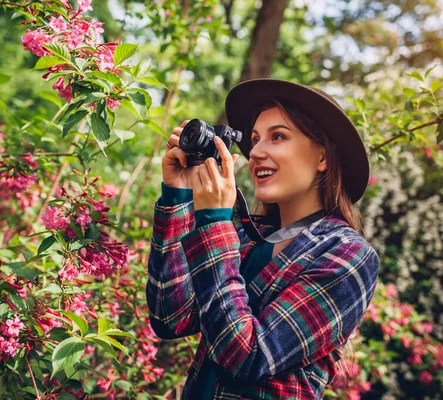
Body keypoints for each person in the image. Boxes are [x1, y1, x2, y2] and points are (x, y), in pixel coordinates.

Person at [146, 79, 380, 399]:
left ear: (323, 157)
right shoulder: (245, 236)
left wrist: (214, 222)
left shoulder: (349, 254)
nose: (255, 152)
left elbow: (246, 357)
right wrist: (178, 195)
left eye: (278, 136)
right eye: (255, 139)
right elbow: (170, 318)